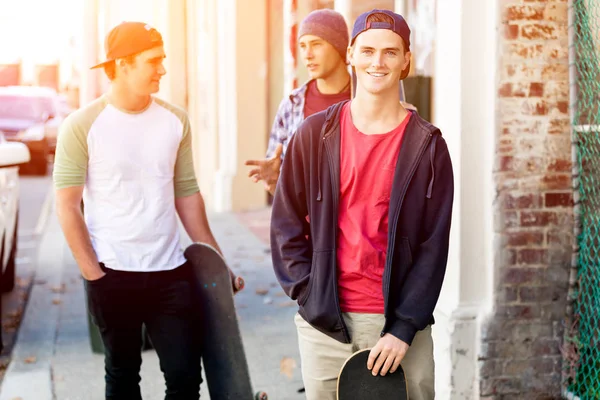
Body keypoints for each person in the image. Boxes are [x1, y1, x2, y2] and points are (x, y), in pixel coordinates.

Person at [270, 9, 454, 400]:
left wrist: (404, 326)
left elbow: (432, 248)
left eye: (390, 52)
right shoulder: (314, 135)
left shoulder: (427, 147)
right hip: (326, 324)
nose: (377, 62)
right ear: (350, 54)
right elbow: (285, 223)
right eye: (367, 50)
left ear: (407, 61)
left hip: (401, 326)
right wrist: (309, 293)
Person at [53, 21, 242, 400]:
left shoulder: (175, 120)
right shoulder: (81, 126)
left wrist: (218, 263)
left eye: (163, 60)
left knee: (186, 378)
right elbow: (67, 207)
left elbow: (187, 196)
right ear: (122, 64)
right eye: (153, 61)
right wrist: (94, 275)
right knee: (122, 377)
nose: (163, 69)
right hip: (111, 273)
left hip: (170, 272)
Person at [245, 9, 352, 195]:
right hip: (306, 221)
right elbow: (280, 187)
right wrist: (274, 181)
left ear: (339, 46)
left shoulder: (366, 98)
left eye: (316, 44)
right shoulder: (292, 104)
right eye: (302, 46)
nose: (307, 54)